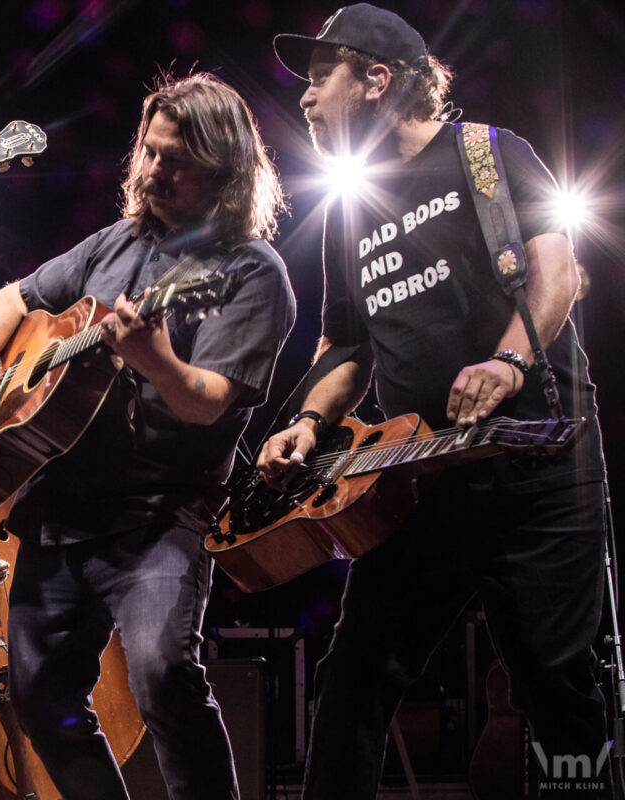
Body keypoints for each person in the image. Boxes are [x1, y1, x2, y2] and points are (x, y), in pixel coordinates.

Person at [258, 5, 609, 797]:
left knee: (558, 688)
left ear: (377, 79)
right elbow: (345, 345)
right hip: (419, 481)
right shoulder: (349, 208)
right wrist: (307, 422)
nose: (306, 100)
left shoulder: (487, 153)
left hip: (538, 471)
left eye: (321, 78)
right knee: (352, 684)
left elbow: (560, 269)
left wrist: (508, 361)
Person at [0, 72, 295, 800]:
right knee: (40, 695)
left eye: (176, 160)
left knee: (164, 677)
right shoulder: (118, 240)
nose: (154, 171)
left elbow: (210, 404)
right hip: (64, 508)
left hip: (162, 515)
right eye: (149, 152)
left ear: (227, 172)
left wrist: (156, 360)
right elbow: (12, 300)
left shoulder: (252, 274)